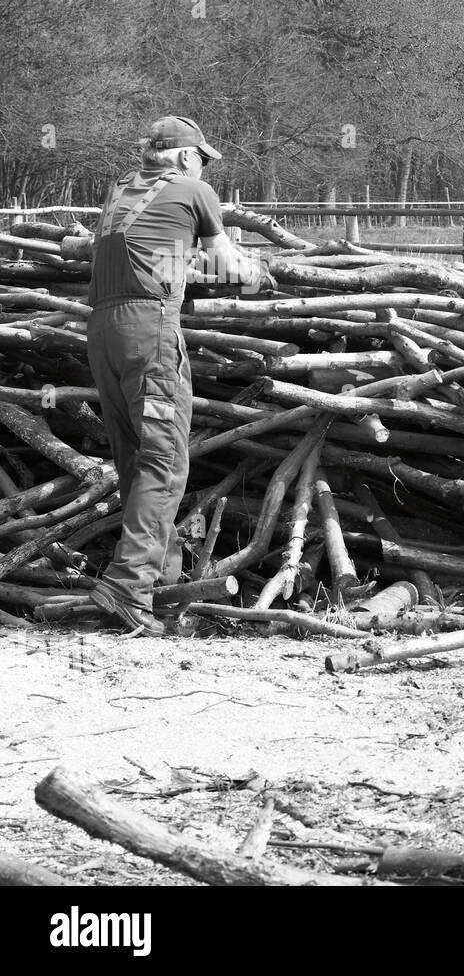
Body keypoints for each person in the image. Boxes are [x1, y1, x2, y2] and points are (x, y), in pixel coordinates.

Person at [86, 116, 274, 635]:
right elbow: (229, 268)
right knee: (166, 459)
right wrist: (259, 273)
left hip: (101, 330)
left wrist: (183, 267)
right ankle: (129, 584)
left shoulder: (120, 189)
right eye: (202, 157)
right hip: (149, 330)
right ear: (189, 157)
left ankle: (162, 585)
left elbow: (150, 253)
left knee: (135, 458)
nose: (203, 165)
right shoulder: (196, 190)